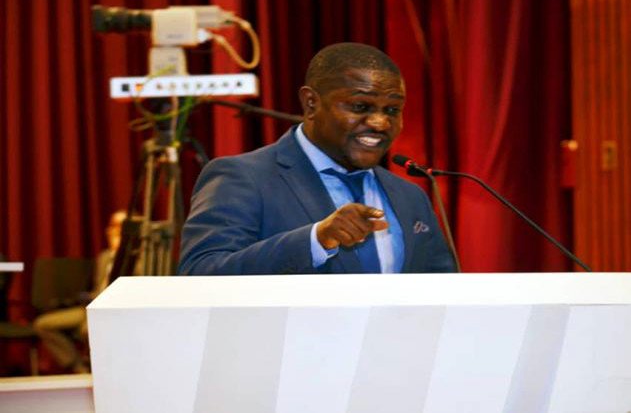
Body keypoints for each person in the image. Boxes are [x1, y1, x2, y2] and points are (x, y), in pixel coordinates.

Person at [179, 42, 455, 275]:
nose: (380, 123)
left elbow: (442, 288)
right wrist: (316, 240)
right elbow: (202, 272)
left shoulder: (410, 196)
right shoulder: (242, 177)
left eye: (393, 110)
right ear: (311, 103)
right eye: (360, 106)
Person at [33, 210, 126, 373]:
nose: (115, 231)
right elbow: (97, 288)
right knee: (44, 324)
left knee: (87, 330)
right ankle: (78, 367)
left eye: (121, 227)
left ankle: (106, 370)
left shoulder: (139, 257)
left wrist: (122, 253)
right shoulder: (104, 257)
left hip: (114, 311)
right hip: (90, 307)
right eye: (114, 226)